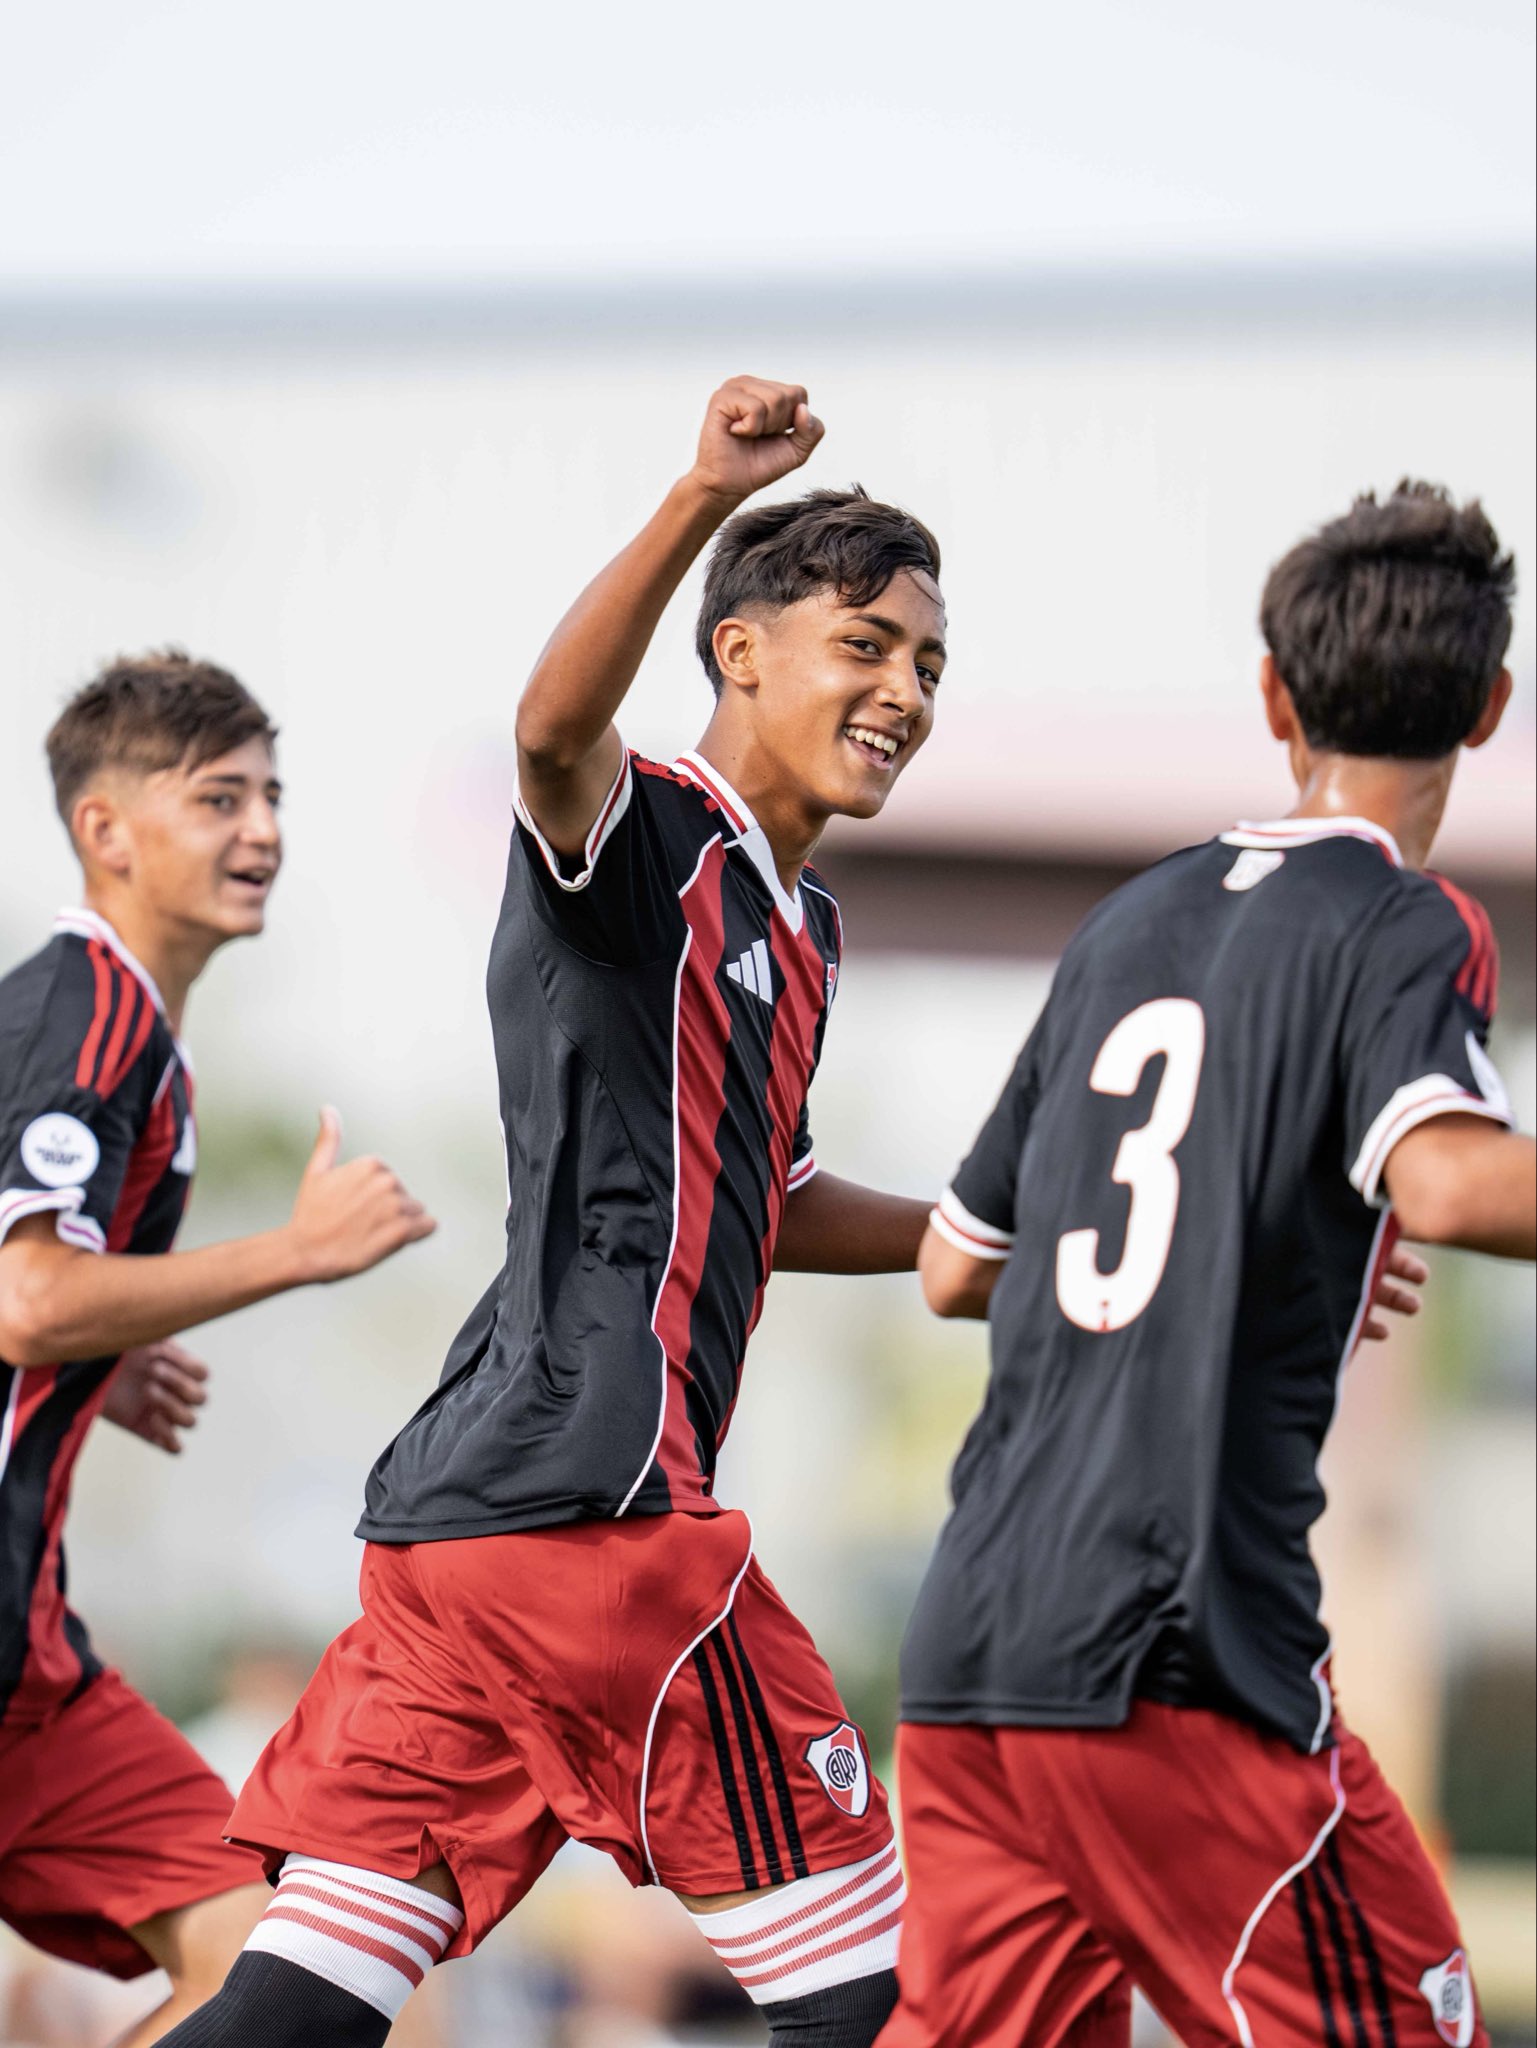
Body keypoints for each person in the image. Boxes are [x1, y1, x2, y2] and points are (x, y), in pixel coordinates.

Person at [154, 377, 954, 2048]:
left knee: (296, 2006)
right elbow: (544, 731)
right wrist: (698, 492)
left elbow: (771, 1194)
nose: (903, 690)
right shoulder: (649, 830)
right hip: (601, 1524)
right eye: (865, 645)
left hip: (459, 1538)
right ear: (740, 654)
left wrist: (992, 1238)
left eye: (928, 665)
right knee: (881, 2001)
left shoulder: (799, 923)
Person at [881, 482, 1531, 2048]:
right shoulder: (1405, 920)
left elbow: (956, 1269)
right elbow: (1445, 1181)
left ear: (1272, 696)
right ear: (1490, 709)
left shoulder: (1130, 920)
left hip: (974, 1645)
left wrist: (1235, 1244)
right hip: (1166, 1647)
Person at [0, 651, 437, 2046]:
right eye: (217, 798)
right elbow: (27, 1296)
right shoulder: (86, 1011)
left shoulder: (136, 1035)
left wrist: (93, 1356)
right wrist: (297, 1251)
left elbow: (33, 1307)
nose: (262, 830)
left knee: (272, 1964)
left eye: (271, 796)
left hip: (29, 1662)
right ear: (106, 829)